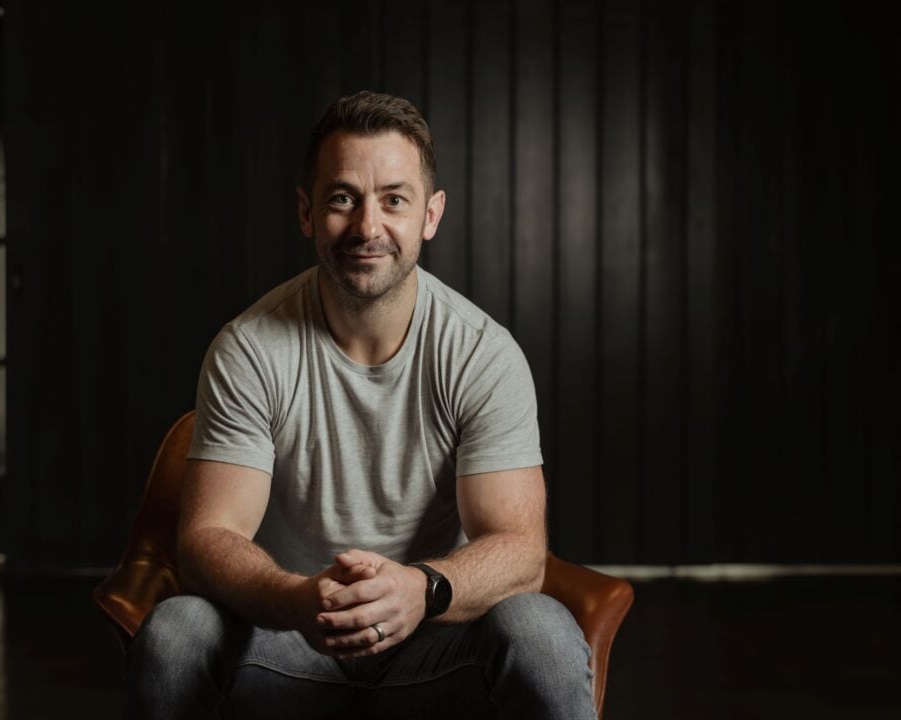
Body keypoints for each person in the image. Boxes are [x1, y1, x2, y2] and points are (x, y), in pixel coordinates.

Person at [124, 91, 596, 719]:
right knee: (176, 632)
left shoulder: (483, 353)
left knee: (543, 632)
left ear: (430, 215)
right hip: (290, 641)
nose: (368, 227)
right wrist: (298, 600)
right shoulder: (249, 349)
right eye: (343, 198)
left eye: (394, 199)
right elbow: (209, 538)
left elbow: (520, 550)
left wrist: (421, 588)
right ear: (307, 212)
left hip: (435, 643)